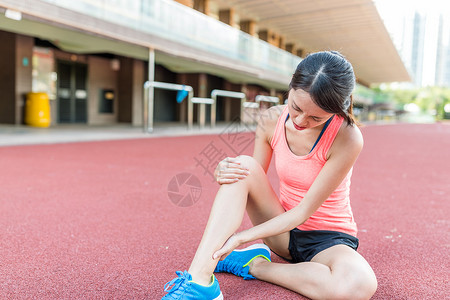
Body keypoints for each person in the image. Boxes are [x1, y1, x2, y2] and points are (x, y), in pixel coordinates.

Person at [161, 51, 378, 300]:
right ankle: (200, 283)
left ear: (338, 109)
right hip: (281, 232)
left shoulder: (348, 138)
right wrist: (224, 170)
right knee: (242, 165)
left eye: (316, 118)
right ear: (290, 87)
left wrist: (242, 238)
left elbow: (303, 212)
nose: (300, 120)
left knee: (358, 285)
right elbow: (252, 177)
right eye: (296, 107)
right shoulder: (270, 119)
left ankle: (256, 265)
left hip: (328, 240)